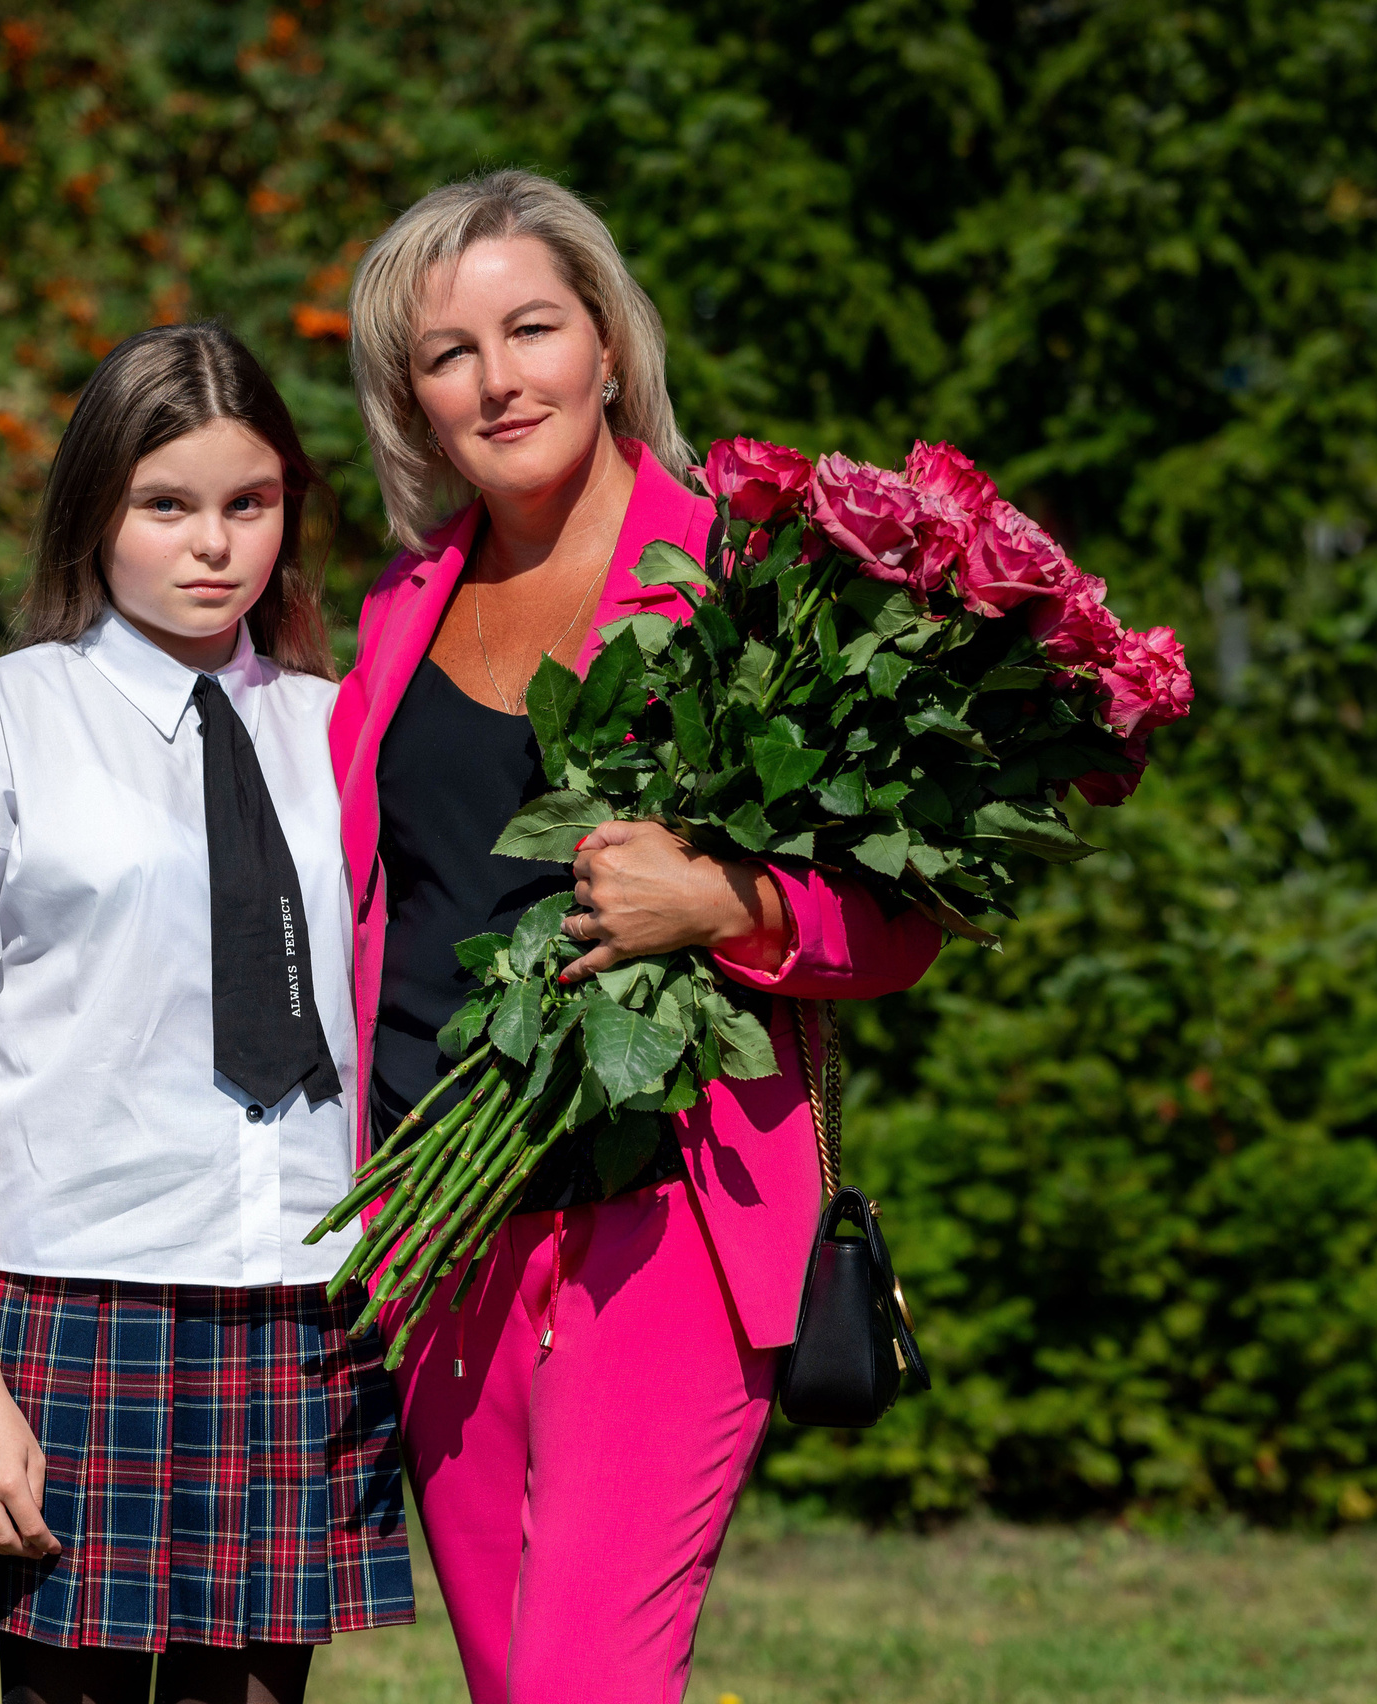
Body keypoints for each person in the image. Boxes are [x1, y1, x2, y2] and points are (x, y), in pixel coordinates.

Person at [330, 170, 945, 1703]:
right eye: (447, 354)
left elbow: (900, 924)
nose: (497, 378)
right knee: (507, 1679)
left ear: (609, 344)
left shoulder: (749, 589)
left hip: (667, 1211)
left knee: (578, 1685)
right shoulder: (400, 607)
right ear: (414, 400)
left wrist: (725, 905)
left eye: (531, 328)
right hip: (440, 1223)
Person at [0, 322, 413, 1704]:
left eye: (247, 504)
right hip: (73, 1300)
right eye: (167, 505)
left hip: (299, 1298)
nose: (212, 545)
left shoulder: (339, 730)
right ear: (95, 510)